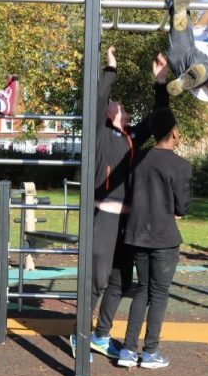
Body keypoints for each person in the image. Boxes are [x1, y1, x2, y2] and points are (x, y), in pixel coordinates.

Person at [70, 46, 170, 360]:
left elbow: (160, 120)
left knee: (120, 280)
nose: (119, 104)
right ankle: (80, 334)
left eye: (120, 104)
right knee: (97, 281)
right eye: (116, 102)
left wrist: (161, 81)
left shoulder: (131, 137)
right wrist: (110, 69)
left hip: (127, 223)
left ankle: (100, 335)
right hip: (103, 218)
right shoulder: (99, 135)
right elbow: (98, 100)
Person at [117, 107, 193, 369]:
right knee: (159, 293)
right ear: (173, 132)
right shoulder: (181, 165)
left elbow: (128, 194)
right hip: (164, 236)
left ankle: (128, 350)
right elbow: (182, 207)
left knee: (142, 290)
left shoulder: (137, 158)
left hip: (138, 233)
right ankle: (150, 352)